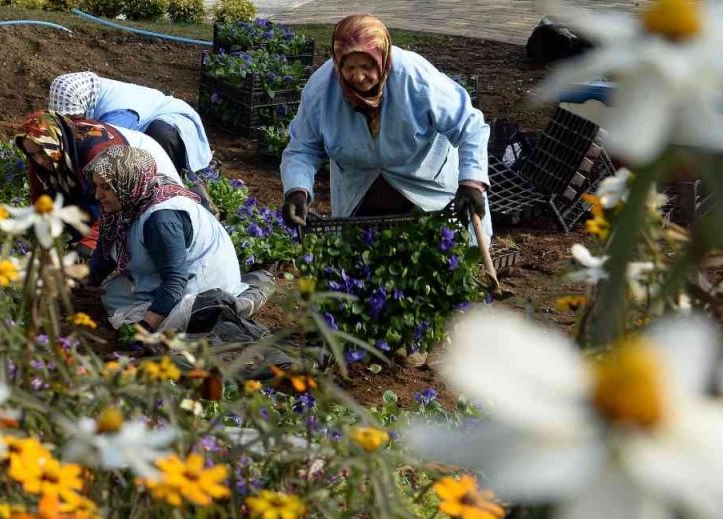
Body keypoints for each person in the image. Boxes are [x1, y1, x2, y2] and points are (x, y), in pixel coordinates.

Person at [279, 14, 493, 245]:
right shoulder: (321, 90)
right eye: (349, 67)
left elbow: (470, 126)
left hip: (425, 188)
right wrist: (297, 189)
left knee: (441, 257)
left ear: (382, 58)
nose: (358, 77)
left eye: (367, 66)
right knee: (362, 268)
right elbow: (302, 148)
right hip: (361, 193)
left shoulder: (414, 79)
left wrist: (471, 182)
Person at [83, 146, 254, 333]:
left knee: (166, 321)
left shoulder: (161, 220)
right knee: (112, 293)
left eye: (106, 187)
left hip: (200, 286)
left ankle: (204, 314)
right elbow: (107, 248)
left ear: (126, 183)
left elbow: (174, 280)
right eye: (96, 185)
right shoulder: (128, 201)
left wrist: (145, 329)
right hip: (166, 273)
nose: (98, 195)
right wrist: (86, 280)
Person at [14, 110, 182, 257]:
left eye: (41, 153)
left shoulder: (95, 151)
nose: (39, 160)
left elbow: (119, 200)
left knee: (126, 228)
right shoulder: (46, 150)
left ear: (54, 142)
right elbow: (40, 196)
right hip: (99, 173)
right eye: (32, 154)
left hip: (140, 163)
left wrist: (91, 242)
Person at [48, 72, 218, 212]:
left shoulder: (118, 114)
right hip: (145, 127)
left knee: (155, 138)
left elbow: (109, 153)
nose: (73, 123)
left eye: (75, 118)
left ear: (83, 105)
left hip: (176, 124)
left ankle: (176, 186)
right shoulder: (82, 94)